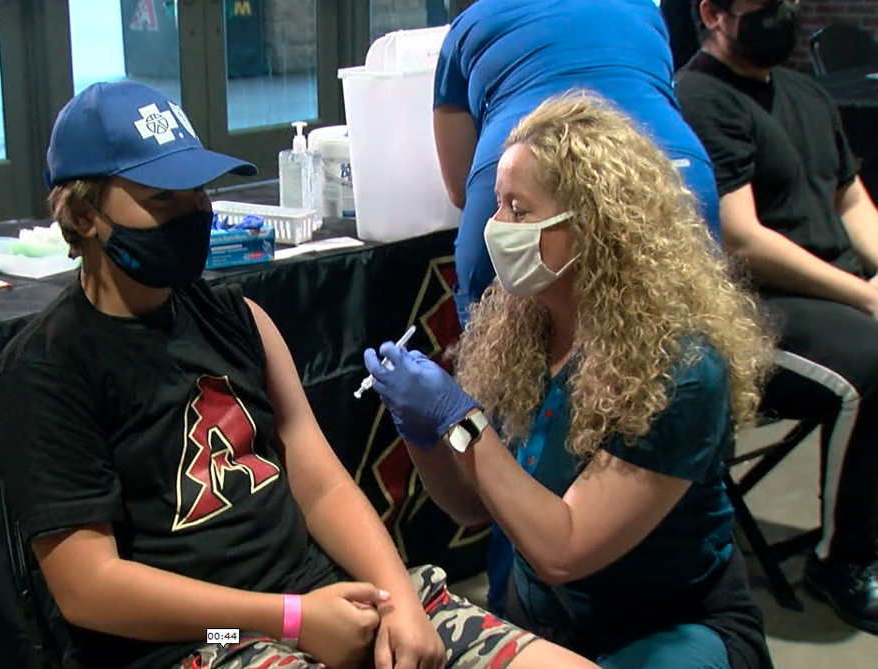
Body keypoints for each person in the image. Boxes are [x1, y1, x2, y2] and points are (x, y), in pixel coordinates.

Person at [0, 80, 602, 669]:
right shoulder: (44, 373)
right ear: (84, 215)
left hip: (325, 599)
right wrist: (288, 619)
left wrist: (400, 601)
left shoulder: (238, 319)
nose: (195, 212)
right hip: (207, 640)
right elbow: (90, 589)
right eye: (164, 199)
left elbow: (322, 486)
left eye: (198, 191)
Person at [363, 92, 775, 669]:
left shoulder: (678, 366)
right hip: (551, 625)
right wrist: (422, 431)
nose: (496, 226)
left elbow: (564, 549)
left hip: (667, 631)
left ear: (592, 225)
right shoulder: (526, 327)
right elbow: (471, 506)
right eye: (498, 204)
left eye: (518, 209)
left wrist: (460, 417)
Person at [673, 0, 878, 635]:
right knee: (874, 361)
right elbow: (742, 239)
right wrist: (865, 296)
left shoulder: (802, 91)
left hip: (830, 288)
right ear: (713, 13)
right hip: (758, 305)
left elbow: (850, 198)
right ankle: (843, 560)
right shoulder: (699, 98)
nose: (782, 15)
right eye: (764, 6)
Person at [432, 0, 721, 325]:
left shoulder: (472, 24)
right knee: (684, 340)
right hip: (670, 164)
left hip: (519, 167)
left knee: (498, 350)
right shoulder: (642, 9)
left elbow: (459, 189)